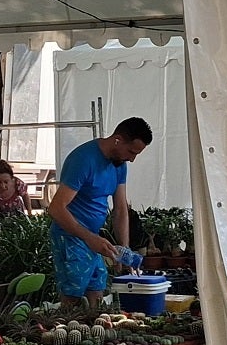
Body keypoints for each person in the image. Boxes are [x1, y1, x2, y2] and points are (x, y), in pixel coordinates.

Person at [47, 118, 152, 307]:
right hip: (69, 237)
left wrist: (124, 250)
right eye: (131, 152)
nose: (132, 159)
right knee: (73, 295)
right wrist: (89, 238)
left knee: (97, 290)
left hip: (93, 239)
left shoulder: (119, 165)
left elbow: (120, 209)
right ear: (118, 140)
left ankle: (94, 332)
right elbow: (55, 208)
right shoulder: (83, 160)